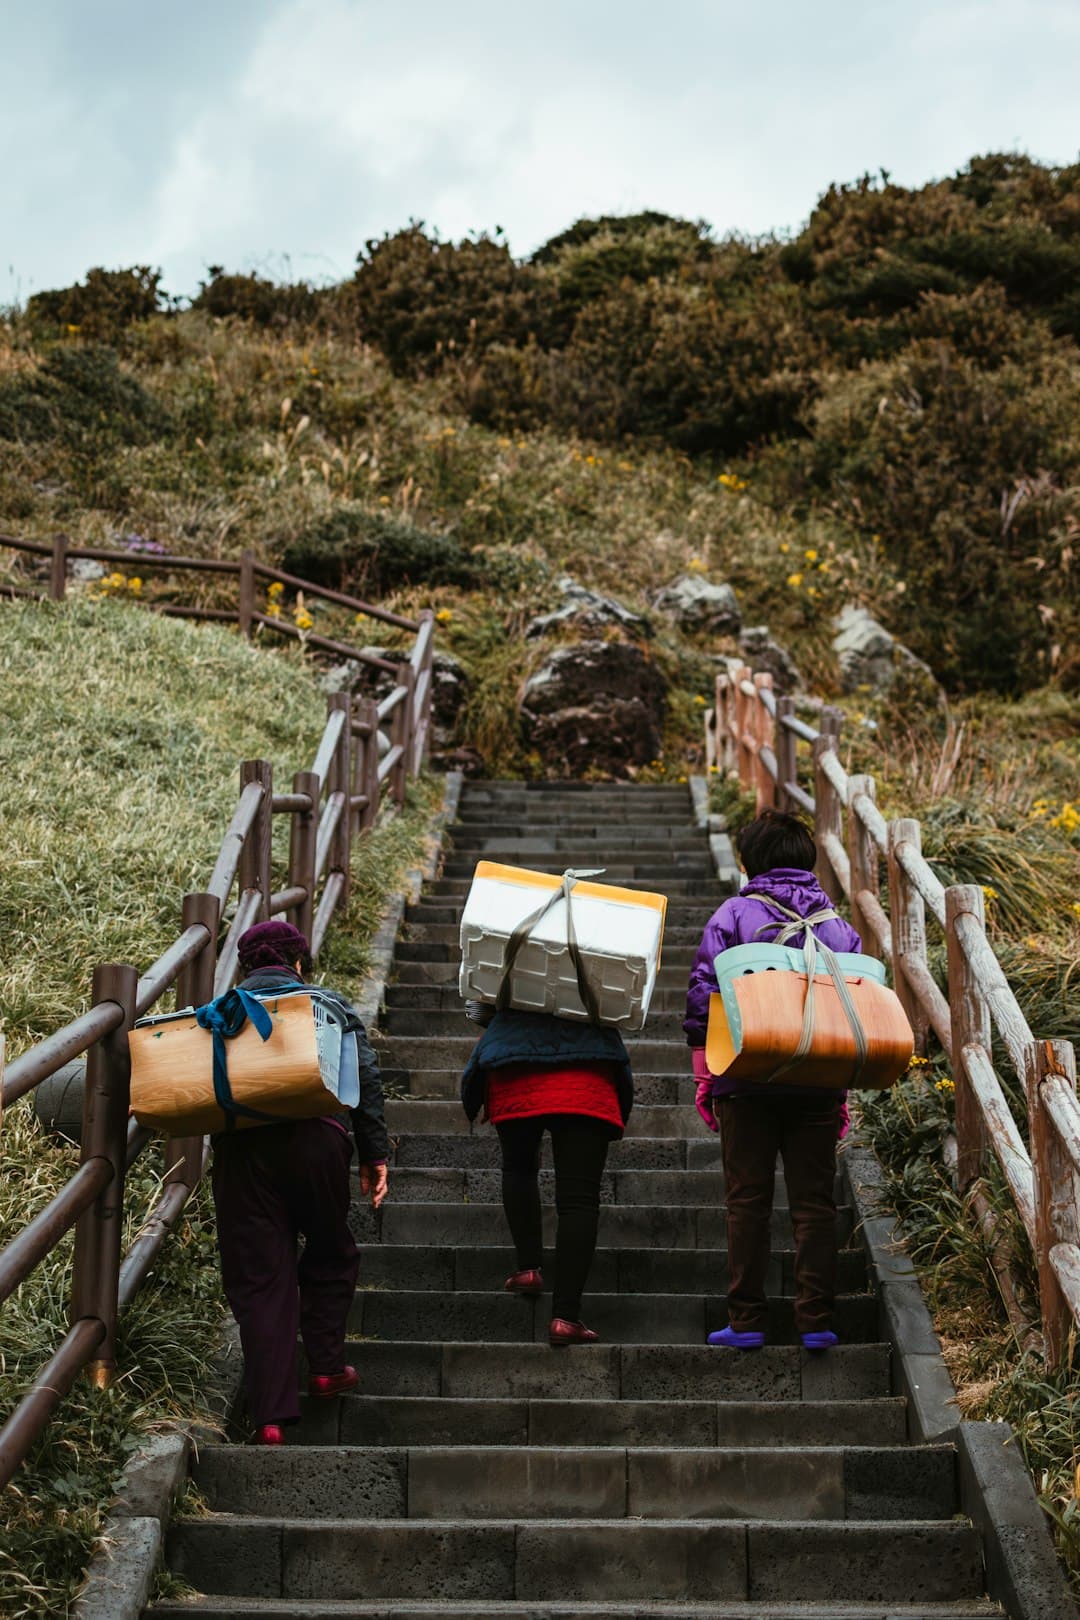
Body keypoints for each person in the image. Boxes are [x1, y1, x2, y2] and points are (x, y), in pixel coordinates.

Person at [684, 810, 861, 1352]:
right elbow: (852, 1005)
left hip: (746, 1077)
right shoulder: (836, 925)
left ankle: (746, 1320)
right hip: (816, 1080)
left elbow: (702, 998)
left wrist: (705, 1075)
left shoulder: (734, 914)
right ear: (806, 861)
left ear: (749, 860)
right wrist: (842, 1088)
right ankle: (817, 1321)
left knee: (747, 1203)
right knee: (814, 1205)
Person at [210, 918, 389, 1444]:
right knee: (331, 1251)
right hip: (317, 1141)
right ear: (298, 964)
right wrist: (372, 1155)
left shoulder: (222, 1012)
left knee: (262, 1279)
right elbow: (366, 1079)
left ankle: (270, 1419)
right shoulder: (326, 1003)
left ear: (245, 967)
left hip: (242, 1153)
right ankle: (327, 1366)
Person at [461, 1004, 633, 1345]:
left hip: (515, 1061)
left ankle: (527, 1268)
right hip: (588, 1066)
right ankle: (566, 1317)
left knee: (519, 1167)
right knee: (579, 1200)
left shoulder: (509, 946)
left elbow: (479, 1006)